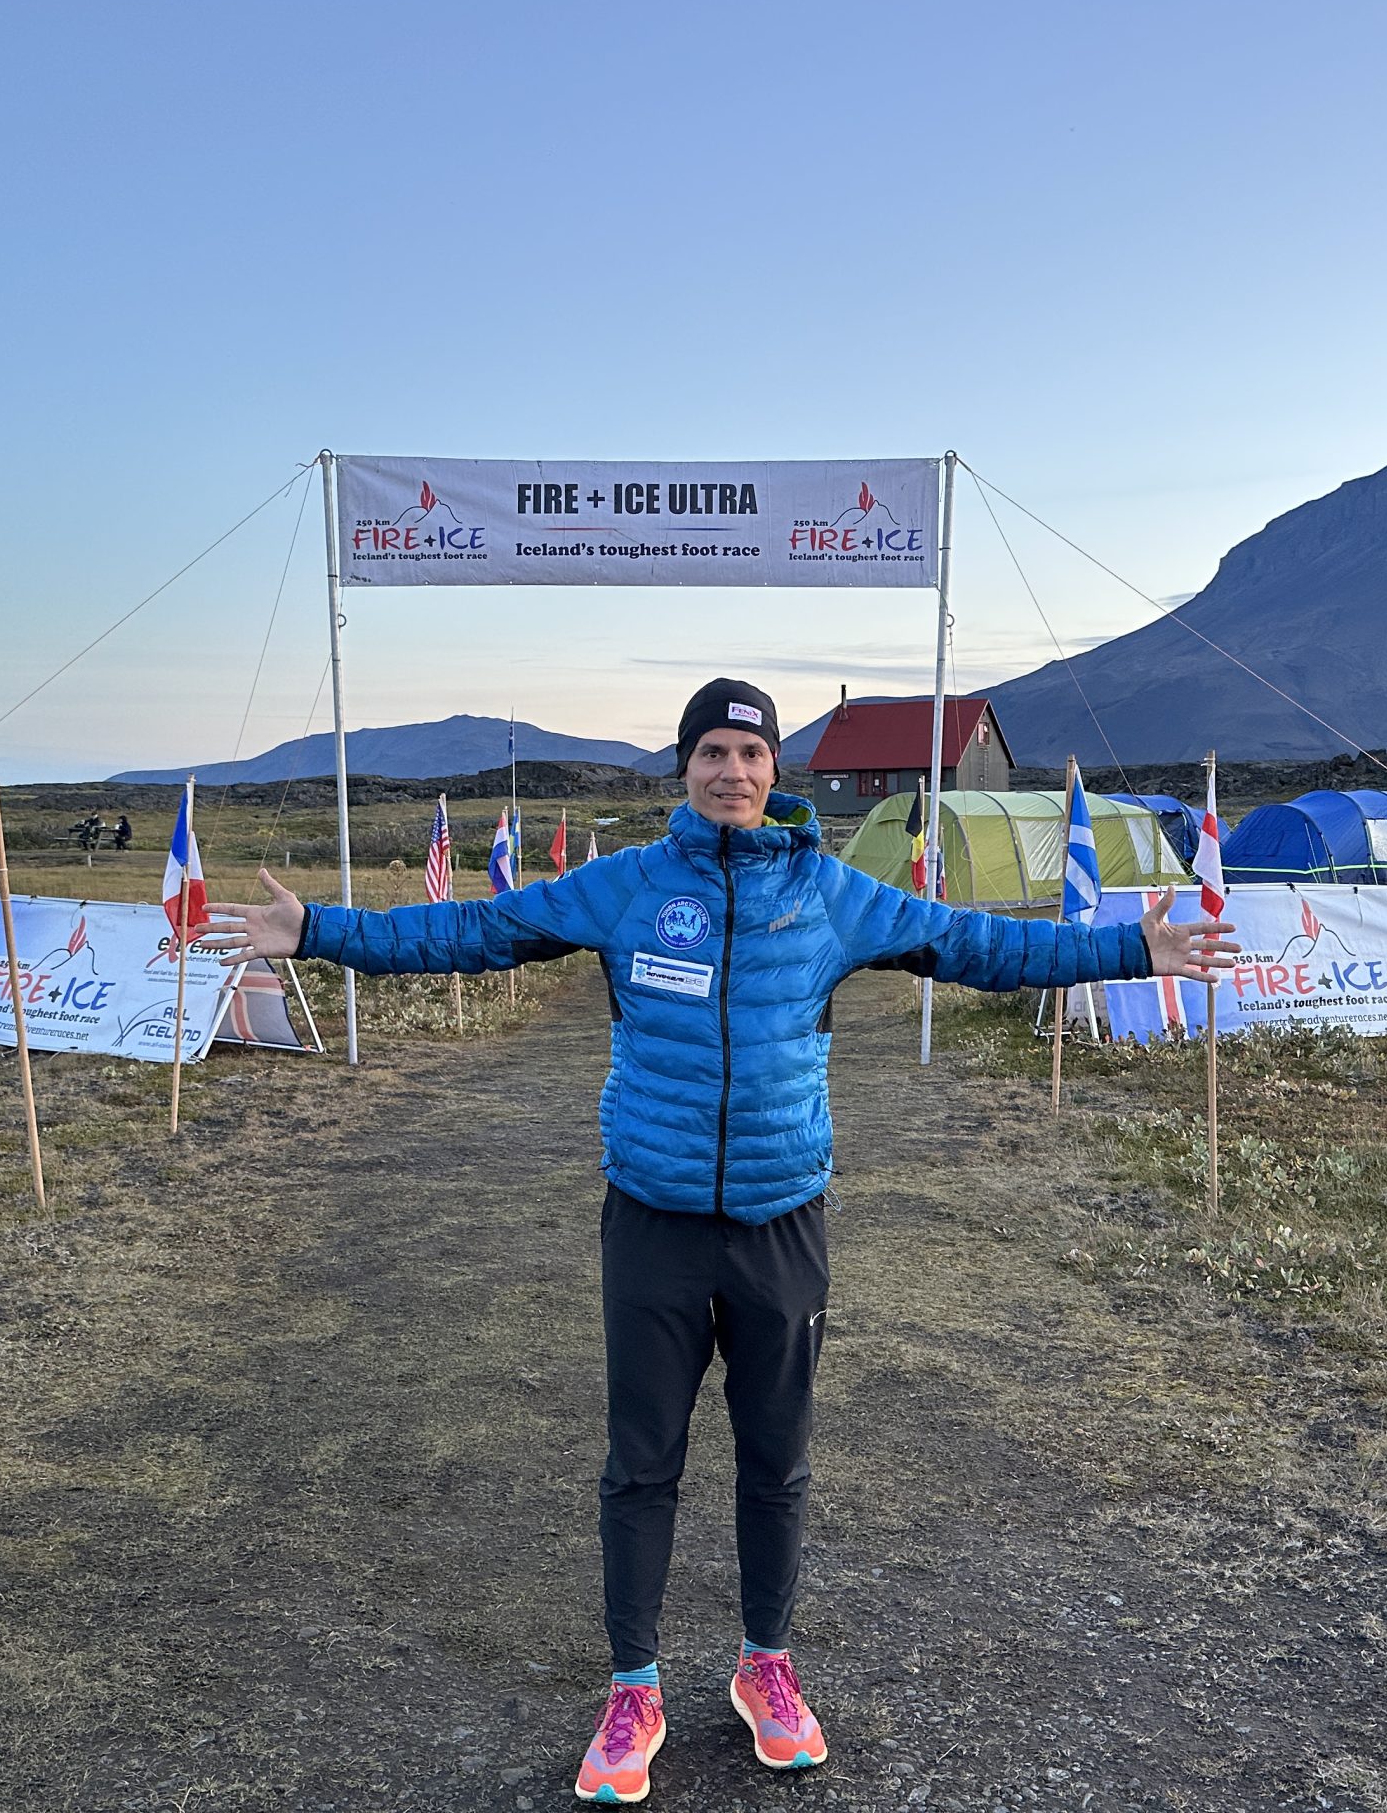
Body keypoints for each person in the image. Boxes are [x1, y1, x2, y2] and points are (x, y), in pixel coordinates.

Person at [201, 678, 1236, 1803]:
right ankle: (633, 1689)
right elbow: (475, 930)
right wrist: (318, 930)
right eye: (711, 752)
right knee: (640, 1463)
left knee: (776, 1460)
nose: (731, 771)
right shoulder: (628, 887)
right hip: (652, 1221)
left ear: (774, 769)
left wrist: (1128, 950)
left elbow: (972, 942)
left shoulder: (831, 894)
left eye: (749, 753)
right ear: (684, 767)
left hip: (780, 1223)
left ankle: (765, 1668)